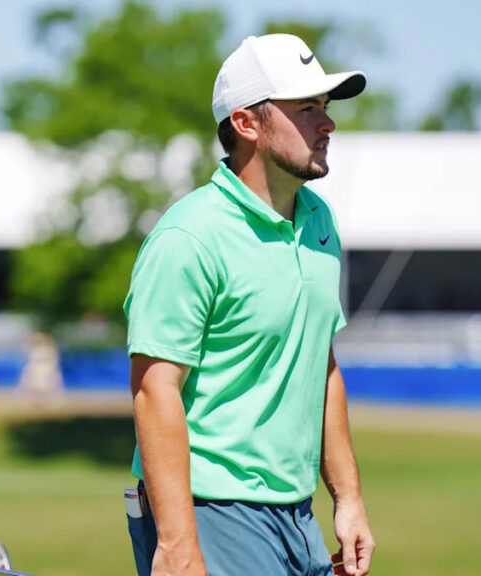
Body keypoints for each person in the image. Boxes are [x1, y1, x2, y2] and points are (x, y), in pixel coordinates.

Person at [123, 34, 375, 576]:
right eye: (306, 109)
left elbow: (322, 364)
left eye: (325, 107)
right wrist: (177, 544)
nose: (327, 123)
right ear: (246, 124)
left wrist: (348, 498)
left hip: (296, 514)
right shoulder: (189, 237)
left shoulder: (319, 221)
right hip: (211, 509)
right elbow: (154, 389)